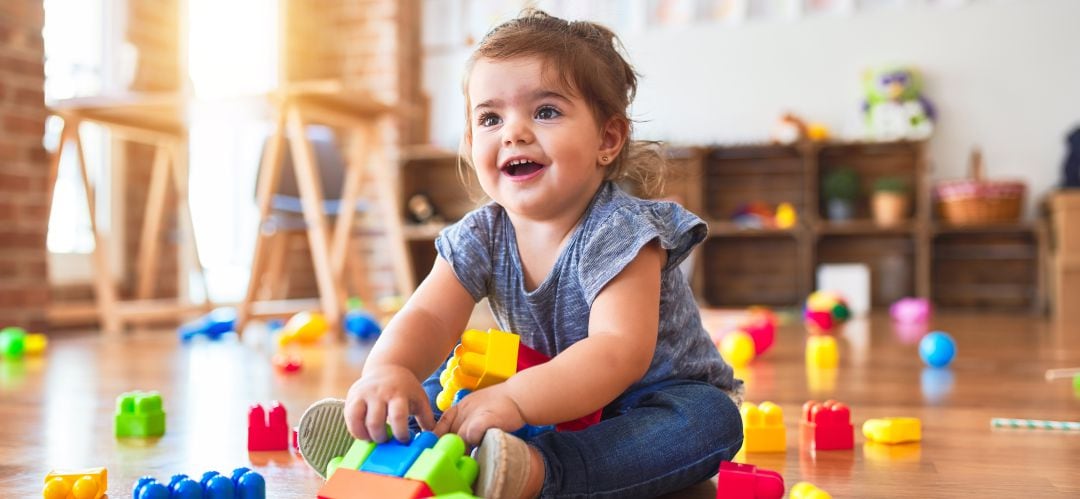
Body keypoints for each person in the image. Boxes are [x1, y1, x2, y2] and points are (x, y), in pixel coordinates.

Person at [297, 9, 743, 498]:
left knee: (711, 420)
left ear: (607, 139)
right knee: (441, 372)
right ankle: (387, 436)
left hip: (641, 404)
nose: (514, 132)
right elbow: (428, 315)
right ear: (471, 143)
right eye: (490, 118)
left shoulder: (621, 231)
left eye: (545, 111)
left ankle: (536, 470)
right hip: (538, 393)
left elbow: (617, 352)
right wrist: (390, 371)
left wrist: (515, 400)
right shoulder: (481, 234)